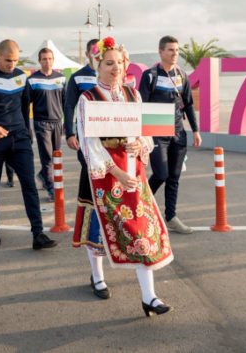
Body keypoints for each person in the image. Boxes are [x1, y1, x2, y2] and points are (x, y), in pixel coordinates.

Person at [73, 36, 173, 316]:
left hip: (133, 172)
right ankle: (97, 276)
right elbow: (88, 143)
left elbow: (146, 132)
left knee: (140, 229)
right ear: (97, 65)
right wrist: (115, 171)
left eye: (119, 62)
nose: (115, 68)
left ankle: (149, 297)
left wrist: (141, 144)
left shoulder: (133, 94)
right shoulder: (88, 98)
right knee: (97, 230)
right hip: (103, 173)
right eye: (109, 63)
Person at [0, 39, 57, 250]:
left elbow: (25, 106)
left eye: (15, 60)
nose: (11, 65)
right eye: (8, 60)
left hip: (19, 138)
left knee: (29, 185)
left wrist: (26, 130)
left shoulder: (20, 76)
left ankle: (38, 234)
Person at [139, 36, 201, 234]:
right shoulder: (150, 75)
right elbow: (141, 106)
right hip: (156, 132)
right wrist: (141, 135)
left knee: (174, 178)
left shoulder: (182, 75)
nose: (175, 53)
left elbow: (189, 105)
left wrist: (196, 130)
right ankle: (139, 205)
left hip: (179, 132)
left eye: (177, 50)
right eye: (170, 50)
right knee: (161, 174)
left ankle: (171, 217)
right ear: (161, 52)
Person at [64, 39, 99, 220]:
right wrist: (70, 134)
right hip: (85, 136)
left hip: (109, 137)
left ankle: (104, 219)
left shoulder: (112, 75)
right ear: (87, 54)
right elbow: (69, 106)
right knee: (89, 174)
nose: (99, 55)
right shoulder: (77, 77)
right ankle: (87, 221)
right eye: (95, 52)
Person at [26, 47, 66, 202]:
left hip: (57, 122)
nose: (47, 61)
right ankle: (51, 188)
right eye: (44, 59)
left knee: (56, 155)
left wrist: (66, 123)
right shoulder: (32, 80)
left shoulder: (61, 78)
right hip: (41, 123)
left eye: (50, 58)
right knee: (47, 157)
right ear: (39, 61)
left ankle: (43, 175)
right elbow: (25, 104)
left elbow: (66, 103)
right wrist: (27, 125)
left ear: (53, 60)